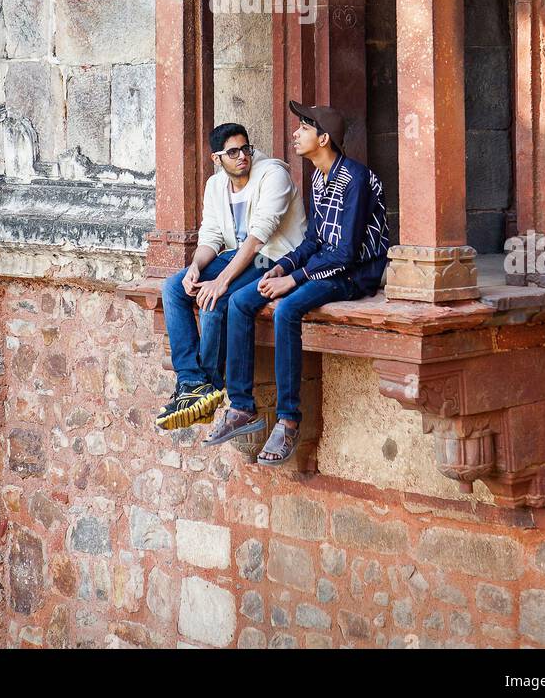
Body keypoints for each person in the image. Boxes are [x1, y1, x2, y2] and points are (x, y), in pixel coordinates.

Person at [205, 101, 389, 465]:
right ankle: (241, 406)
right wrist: (282, 267)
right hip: (323, 265)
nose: (295, 133)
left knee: (286, 308)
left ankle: (288, 419)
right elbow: (313, 242)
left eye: (304, 128)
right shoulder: (320, 178)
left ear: (323, 138)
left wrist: (293, 279)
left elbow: (346, 254)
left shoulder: (353, 179)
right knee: (242, 301)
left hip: (353, 275)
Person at [156, 122, 307, 430]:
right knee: (173, 287)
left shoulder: (273, 174)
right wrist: (197, 266)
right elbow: (211, 235)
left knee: (215, 298)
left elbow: (259, 236)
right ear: (217, 158)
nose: (242, 157)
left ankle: (210, 384)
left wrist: (221, 280)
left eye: (245, 149)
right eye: (233, 152)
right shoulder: (215, 186)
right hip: (236, 255)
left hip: (275, 257)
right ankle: (191, 382)